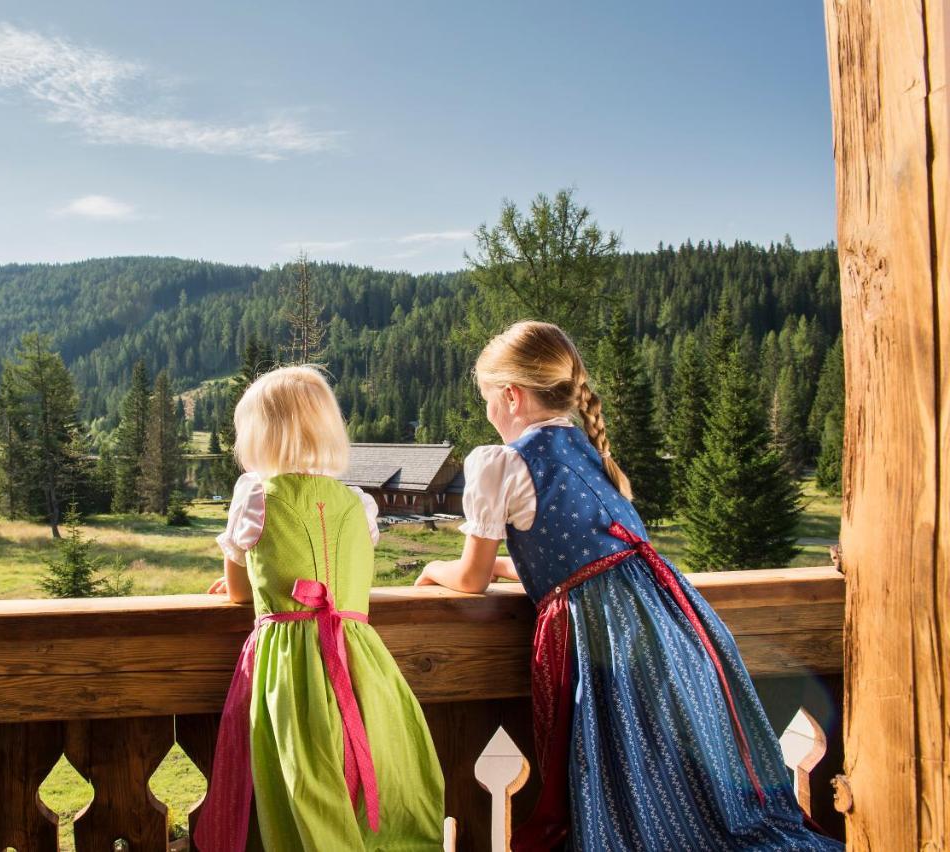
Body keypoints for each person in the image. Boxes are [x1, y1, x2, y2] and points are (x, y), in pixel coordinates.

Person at [417, 321, 841, 851]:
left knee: (622, 769)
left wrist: (436, 572)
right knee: (676, 777)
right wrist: (517, 570)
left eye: (487, 399)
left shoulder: (500, 462)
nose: (488, 413)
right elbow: (586, 554)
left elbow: (471, 576)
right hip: (670, 617)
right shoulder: (590, 450)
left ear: (511, 395)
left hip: (606, 633)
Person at [195, 364, 445, 851]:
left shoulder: (256, 496)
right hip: (360, 661)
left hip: (292, 666)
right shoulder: (360, 504)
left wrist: (246, 571)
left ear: (259, 435)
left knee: (304, 777)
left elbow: (240, 594)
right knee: (364, 771)